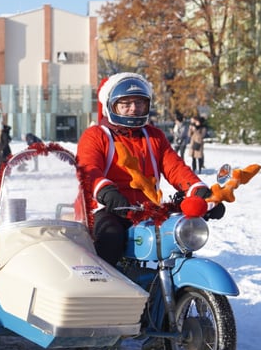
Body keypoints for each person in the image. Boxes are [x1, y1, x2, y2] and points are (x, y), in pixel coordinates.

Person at [77, 73, 216, 270]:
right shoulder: (96, 135)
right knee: (111, 236)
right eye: (125, 104)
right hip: (106, 208)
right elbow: (87, 169)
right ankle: (99, 286)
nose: (134, 109)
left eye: (140, 103)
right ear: (111, 106)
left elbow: (175, 167)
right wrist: (106, 191)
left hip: (146, 208)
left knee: (177, 237)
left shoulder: (154, 136)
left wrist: (201, 192)